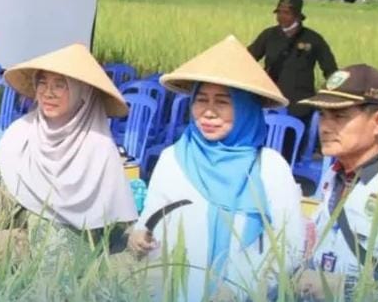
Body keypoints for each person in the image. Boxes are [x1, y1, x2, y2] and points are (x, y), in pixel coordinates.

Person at [128, 36, 304, 301]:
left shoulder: (269, 168)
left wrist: (244, 291)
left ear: (246, 109)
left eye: (222, 102)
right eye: (201, 100)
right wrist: (139, 237)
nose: (208, 112)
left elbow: (290, 247)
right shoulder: (172, 159)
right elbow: (151, 221)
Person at [0, 44, 138, 256]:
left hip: (65, 268)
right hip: (12, 264)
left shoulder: (99, 148)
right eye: (42, 83)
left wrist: (135, 239)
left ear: (81, 93)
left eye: (60, 85)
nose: (48, 93)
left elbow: (115, 222)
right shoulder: (20, 133)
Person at [297, 64, 378, 301]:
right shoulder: (335, 174)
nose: (326, 127)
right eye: (322, 115)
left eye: (339, 116)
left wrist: (344, 288)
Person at [249, 0, 337, 125]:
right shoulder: (268, 35)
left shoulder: (313, 39)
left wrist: (331, 94)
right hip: (271, 100)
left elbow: (330, 70)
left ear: (297, 15)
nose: (281, 16)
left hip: (300, 105)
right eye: (279, 12)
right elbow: (247, 59)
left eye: (286, 13)